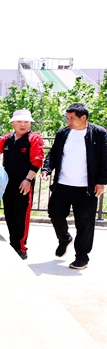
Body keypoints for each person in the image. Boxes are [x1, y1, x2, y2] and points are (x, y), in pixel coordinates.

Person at [40, 103, 107, 269]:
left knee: (85, 223)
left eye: (72, 118)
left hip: (86, 187)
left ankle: (82, 257)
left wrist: (101, 181)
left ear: (83, 118)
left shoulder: (99, 134)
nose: (68, 121)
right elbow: (54, 154)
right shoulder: (63, 133)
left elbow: (105, 159)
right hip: (62, 184)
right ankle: (64, 238)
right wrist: (47, 169)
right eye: (67, 117)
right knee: (55, 214)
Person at [0, 109, 45, 260]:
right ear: (13, 123)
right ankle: (13, 243)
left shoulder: (34, 139)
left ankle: (21, 247)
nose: (23, 125)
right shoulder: (7, 138)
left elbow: (37, 161)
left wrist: (28, 180)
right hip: (7, 182)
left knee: (21, 215)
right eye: (20, 122)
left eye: (26, 122)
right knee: (9, 214)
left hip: (24, 183)